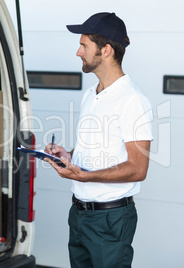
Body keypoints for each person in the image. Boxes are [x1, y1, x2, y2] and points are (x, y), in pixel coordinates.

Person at [44, 12, 153, 268]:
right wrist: (68, 156)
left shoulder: (132, 100)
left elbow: (138, 169)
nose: (78, 52)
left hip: (110, 219)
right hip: (79, 214)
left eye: (84, 45)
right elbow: (96, 147)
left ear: (105, 51)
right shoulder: (91, 94)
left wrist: (85, 176)